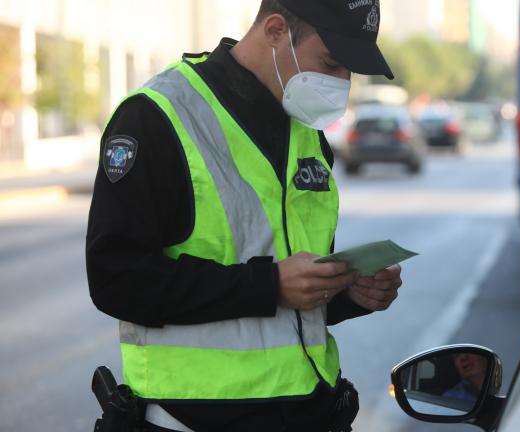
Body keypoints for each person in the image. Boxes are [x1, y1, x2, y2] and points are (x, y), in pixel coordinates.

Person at [86, 1, 401, 431]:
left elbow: (293, 297)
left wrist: (347, 295)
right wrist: (269, 285)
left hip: (309, 412)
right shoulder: (158, 116)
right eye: (331, 63)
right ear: (275, 30)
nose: (342, 82)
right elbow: (116, 280)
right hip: (194, 419)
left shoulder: (306, 131)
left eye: (350, 70)